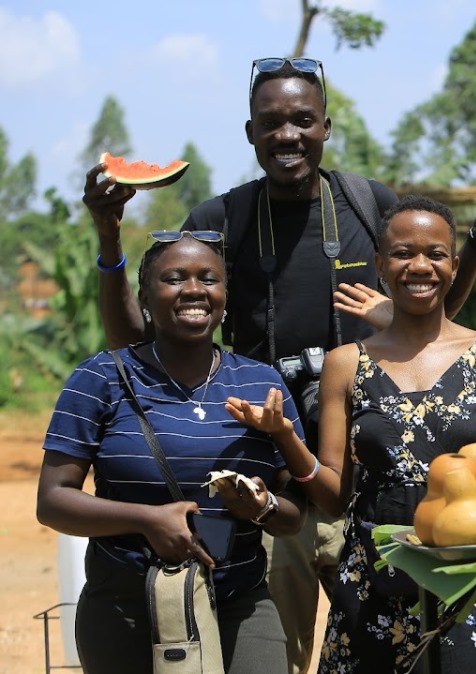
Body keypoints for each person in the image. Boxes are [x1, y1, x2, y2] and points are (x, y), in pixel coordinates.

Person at [81, 57, 476, 674]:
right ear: (250, 133)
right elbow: (146, 338)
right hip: (270, 484)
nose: (287, 135)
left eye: (302, 121)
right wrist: (110, 242)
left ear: (326, 127)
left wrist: (461, 258)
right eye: (271, 123)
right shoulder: (221, 220)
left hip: (376, 487)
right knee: (275, 656)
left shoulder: (368, 204)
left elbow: (431, 316)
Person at [257, 196, 476, 672]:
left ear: (454, 264)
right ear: (380, 265)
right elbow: (336, 498)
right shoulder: (346, 363)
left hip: (471, 580)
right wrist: (286, 439)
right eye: (402, 253)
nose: (419, 266)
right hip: (373, 580)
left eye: (435, 254)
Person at [36, 232, 305, 674]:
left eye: (209, 279)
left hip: (239, 602)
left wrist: (262, 507)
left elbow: (294, 516)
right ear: (145, 296)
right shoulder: (100, 378)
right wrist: (147, 520)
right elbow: (53, 501)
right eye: (174, 278)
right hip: (126, 606)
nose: (194, 290)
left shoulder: (262, 384)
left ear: (224, 295)